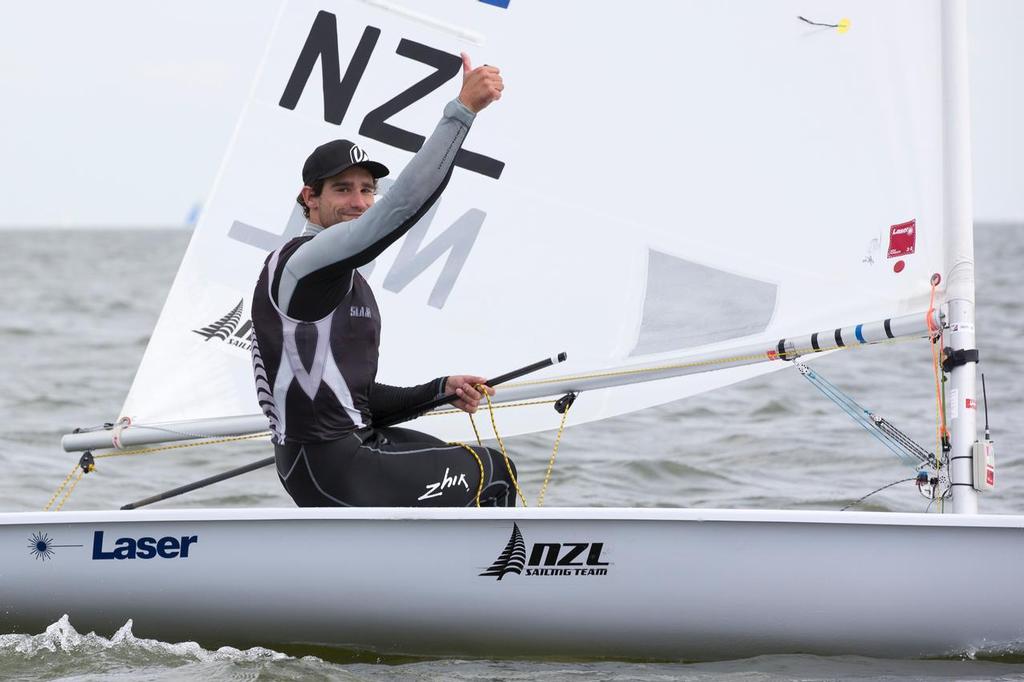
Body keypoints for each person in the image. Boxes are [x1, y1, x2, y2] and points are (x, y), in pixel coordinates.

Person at [250, 54, 517, 507]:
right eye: (342, 189)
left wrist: (439, 389)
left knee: (454, 456)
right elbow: (402, 206)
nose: (359, 201)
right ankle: (506, 577)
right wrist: (461, 112)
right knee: (493, 471)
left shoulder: (339, 274)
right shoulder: (306, 264)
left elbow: (352, 396)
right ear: (308, 198)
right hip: (331, 467)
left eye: (367, 189)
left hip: (337, 454)